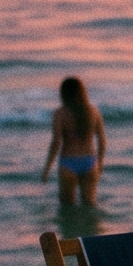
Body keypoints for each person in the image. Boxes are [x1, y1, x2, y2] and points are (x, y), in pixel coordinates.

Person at [39, 76, 106, 205]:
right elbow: (102, 142)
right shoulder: (93, 112)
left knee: (67, 208)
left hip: (68, 163)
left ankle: (70, 226)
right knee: (90, 206)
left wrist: (47, 169)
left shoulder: (60, 113)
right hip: (90, 162)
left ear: (63, 93)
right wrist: (100, 164)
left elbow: (56, 143)